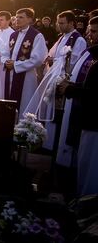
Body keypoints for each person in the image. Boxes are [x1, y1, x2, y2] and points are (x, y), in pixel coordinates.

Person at [27, 11, 87, 153]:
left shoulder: (78, 40)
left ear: (72, 23)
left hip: (64, 82)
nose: (58, 26)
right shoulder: (62, 38)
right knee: (50, 111)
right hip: (53, 79)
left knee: (58, 115)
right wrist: (48, 58)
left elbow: (74, 61)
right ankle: (48, 143)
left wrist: (54, 61)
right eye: (58, 23)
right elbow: (52, 53)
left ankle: (55, 146)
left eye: (62, 23)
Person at [59, 16, 98, 196]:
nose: (89, 34)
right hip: (87, 119)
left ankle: (87, 206)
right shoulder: (93, 53)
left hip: (94, 123)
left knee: (91, 167)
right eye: (89, 30)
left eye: (94, 31)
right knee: (84, 164)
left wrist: (72, 90)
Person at [4, 8, 48, 113]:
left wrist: (16, 65)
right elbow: (5, 52)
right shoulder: (13, 35)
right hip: (10, 74)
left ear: (29, 19)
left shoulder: (37, 36)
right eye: (16, 17)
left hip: (26, 77)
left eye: (21, 17)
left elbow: (38, 59)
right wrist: (6, 61)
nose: (17, 20)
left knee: (24, 104)